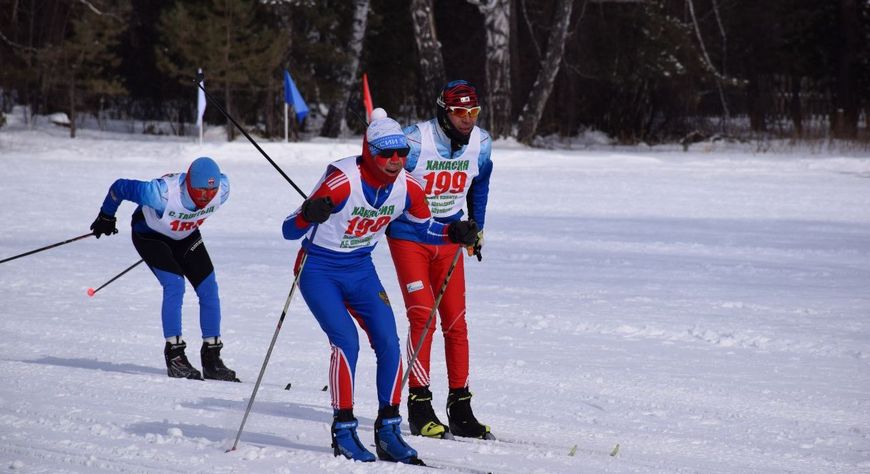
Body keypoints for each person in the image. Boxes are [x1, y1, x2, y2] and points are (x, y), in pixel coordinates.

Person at [282, 109, 479, 464]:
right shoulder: (341, 180)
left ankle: (388, 430)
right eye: (386, 154)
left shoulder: (409, 187)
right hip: (318, 268)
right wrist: (307, 214)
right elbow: (288, 229)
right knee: (346, 341)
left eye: (401, 153)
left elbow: (424, 230)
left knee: (389, 341)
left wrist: (452, 232)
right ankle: (343, 429)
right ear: (369, 151)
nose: (395, 161)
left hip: (360, 269)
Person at [385, 80, 494, 440]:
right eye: (460, 113)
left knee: (456, 322)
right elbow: (382, 173)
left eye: (473, 112)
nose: (468, 120)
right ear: (443, 112)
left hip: (450, 238)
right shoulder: (415, 141)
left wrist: (475, 227)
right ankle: (419, 404)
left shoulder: (480, 143)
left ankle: (460, 405)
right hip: (410, 238)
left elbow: (481, 181)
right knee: (422, 317)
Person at [89, 156, 239, 383]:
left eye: (211, 192)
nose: (206, 198)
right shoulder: (160, 194)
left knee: (209, 287)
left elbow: (211, 191)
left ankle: (212, 358)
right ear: (188, 184)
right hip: (149, 234)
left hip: (185, 236)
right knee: (175, 285)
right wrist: (106, 215)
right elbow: (119, 187)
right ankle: (175, 356)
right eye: (200, 192)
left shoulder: (223, 189)